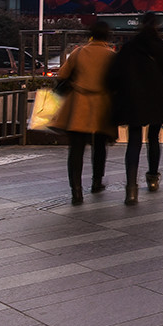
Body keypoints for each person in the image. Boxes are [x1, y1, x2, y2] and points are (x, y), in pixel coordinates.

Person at [107, 12, 163, 205]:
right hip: (156, 98)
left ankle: (131, 189)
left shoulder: (129, 48)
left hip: (132, 99)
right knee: (154, 137)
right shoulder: (162, 48)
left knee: (134, 141)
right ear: (158, 26)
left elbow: (114, 75)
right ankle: (153, 178)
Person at [52, 21, 116, 205]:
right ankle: (97, 181)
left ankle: (77, 191)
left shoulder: (78, 53)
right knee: (100, 146)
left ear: (91, 34)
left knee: (76, 150)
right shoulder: (111, 56)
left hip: (78, 106)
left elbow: (62, 75)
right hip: (102, 106)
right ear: (107, 36)